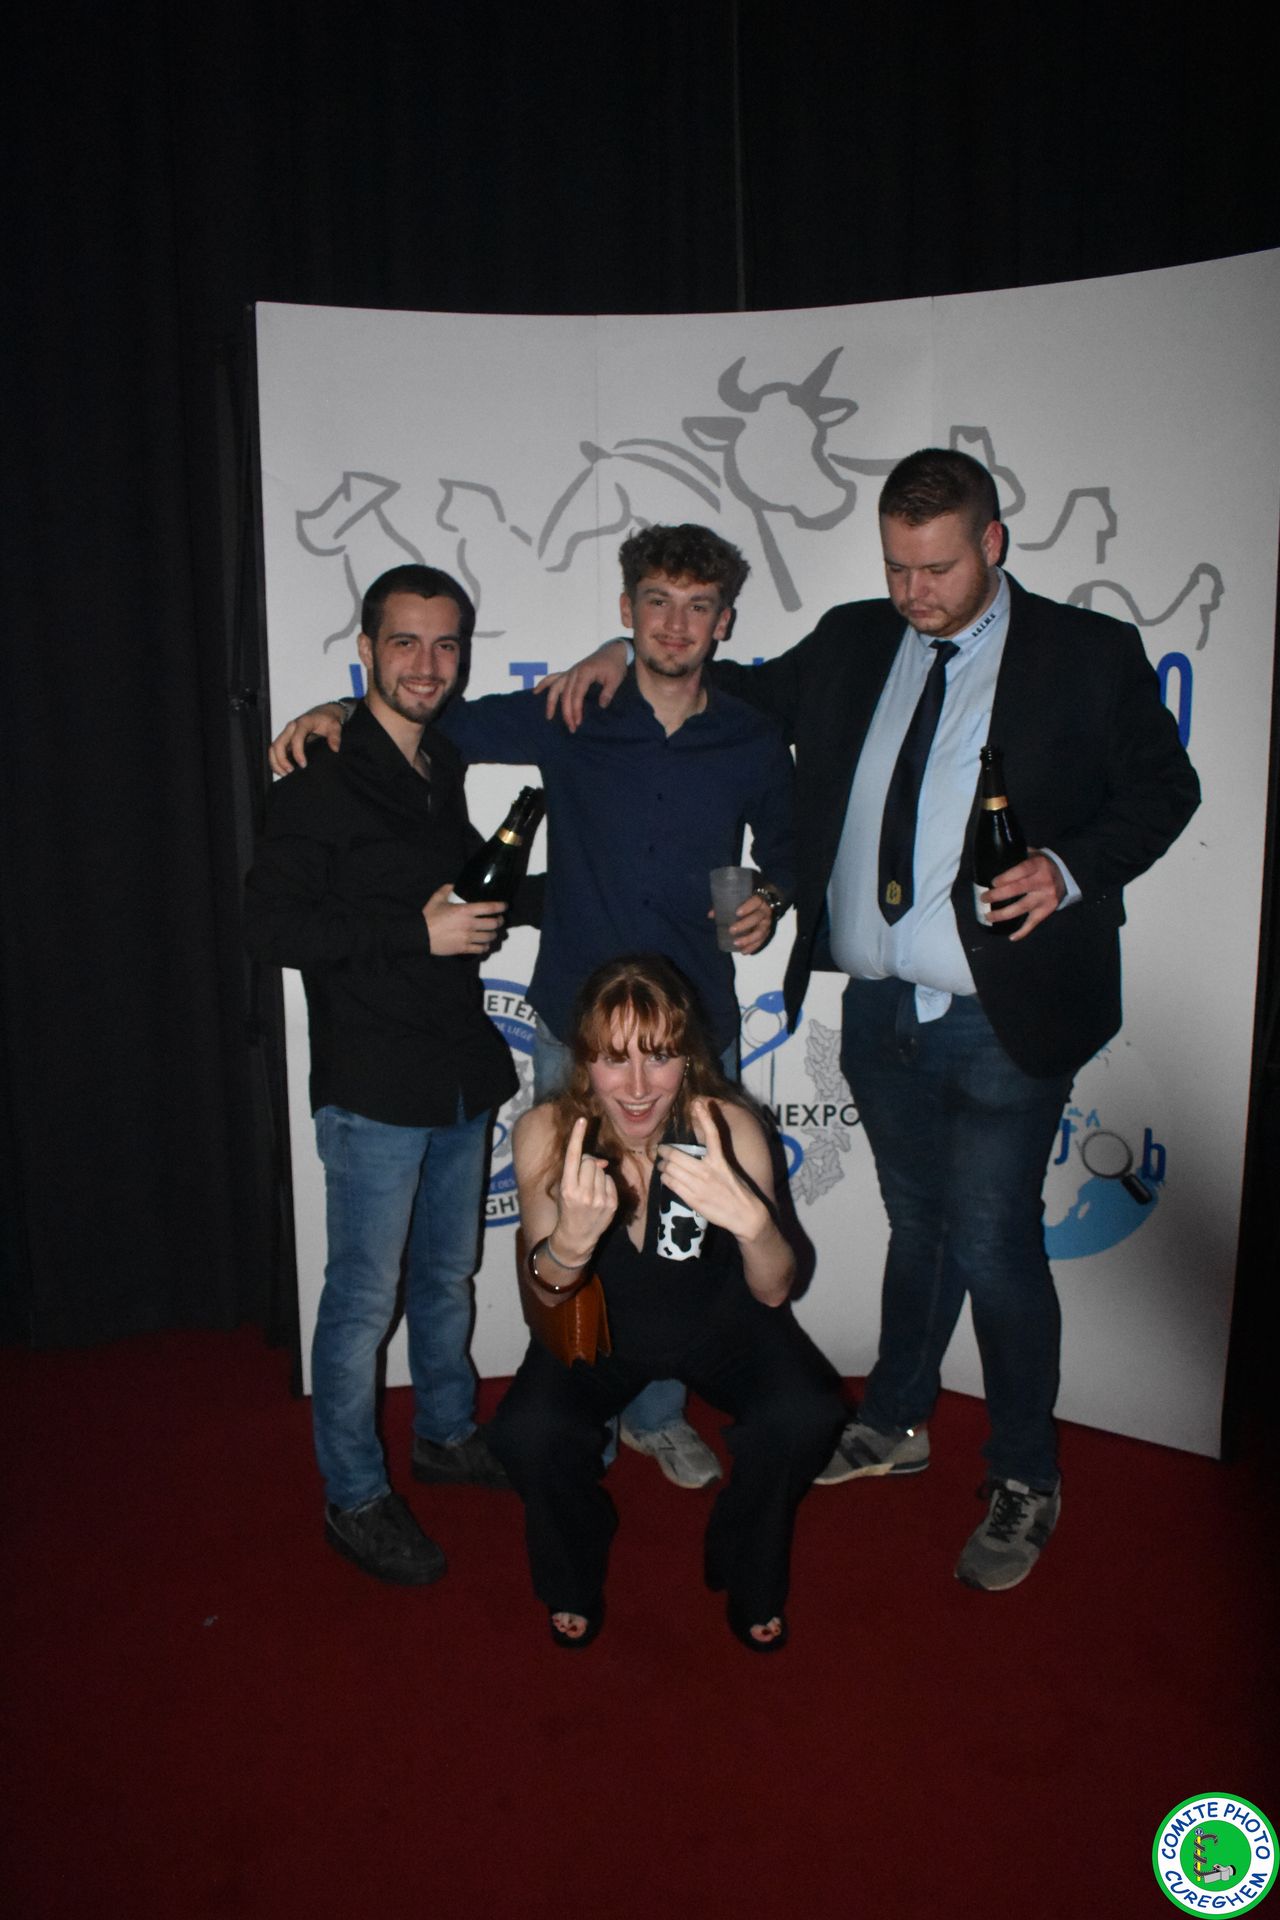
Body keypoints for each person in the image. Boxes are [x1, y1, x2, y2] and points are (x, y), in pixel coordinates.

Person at [541, 449, 1201, 1592]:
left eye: (934, 569)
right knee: (917, 1225)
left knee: (992, 1244)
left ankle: (1023, 1472)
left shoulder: (1084, 654)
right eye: (896, 568)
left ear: (990, 544)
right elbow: (718, 687)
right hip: (877, 1006)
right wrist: (621, 654)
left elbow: (1163, 790)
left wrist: (1065, 869)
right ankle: (896, 1418)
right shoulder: (854, 638)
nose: (912, 592)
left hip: (1003, 1013)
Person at [269, 525, 796, 1493]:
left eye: (697, 607)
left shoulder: (752, 736)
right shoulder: (572, 710)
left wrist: (772, 892)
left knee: (677, 1238)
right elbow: (431, 720)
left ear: (724, 622)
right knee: (569, 1235)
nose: (674, 625)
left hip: (684, 1032)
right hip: (571, 1027)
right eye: (656, 602)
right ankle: (581, 1413)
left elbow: (792, 844)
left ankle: (657, 1414)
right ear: (627, 610)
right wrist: (338, 711)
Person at [244, 564, 522, 1586]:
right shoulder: (316, 779)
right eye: (405, 642)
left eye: (446, 644)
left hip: (456, 1074)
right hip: (371, 1087)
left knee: (447, 1279)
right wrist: (414, 931)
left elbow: (468, 898)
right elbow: (270, 928)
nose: (427, 665)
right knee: (362, 1305)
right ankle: (354, 1496)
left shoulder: (440, 762)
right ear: (365, 650)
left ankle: (444, 1434)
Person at [489, 955, 845, 1651]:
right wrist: (568, 1247)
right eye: (614, 1059)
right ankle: (576, 1562)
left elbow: (775, 1289)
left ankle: (743, 1555)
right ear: (584, 1061)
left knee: (806, 1414)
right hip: (602, 1330)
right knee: (527, 1433)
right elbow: (546, 1302)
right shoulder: (548, 1133)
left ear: (688, 1058)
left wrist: (755, 1225)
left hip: (720, 1323)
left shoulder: (727, 1126)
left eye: (658, 1057)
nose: (637, 1087)